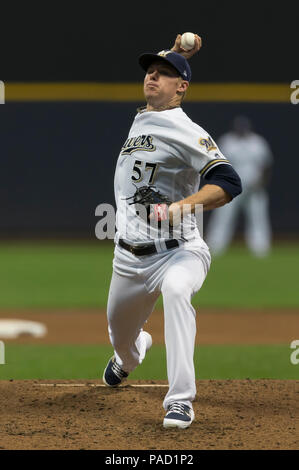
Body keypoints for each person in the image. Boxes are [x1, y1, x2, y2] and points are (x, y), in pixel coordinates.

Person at [102, 34, 242, 429]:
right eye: (150, 72)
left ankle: (180, 401)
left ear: (182, 88)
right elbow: (163, 81)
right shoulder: (145, 116)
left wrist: (183, 206)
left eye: (163, 75)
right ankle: (131, 355)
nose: (152, 78)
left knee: (177, 290)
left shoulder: (185, 129)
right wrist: (176, 56)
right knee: (121, 342)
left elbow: (229, 182)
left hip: (179, 251)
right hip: (128, 258)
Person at [206, 116, 273, 257]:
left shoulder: (257, 142)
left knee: (257, 218)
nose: (242, 131)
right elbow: (218, 165)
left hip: (254, 188)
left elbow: (266, 166)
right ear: (235, 128)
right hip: (231, 188)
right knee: (223, 217)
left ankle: (260, 249)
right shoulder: (227, 141)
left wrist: (261, 182)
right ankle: (215, 247)